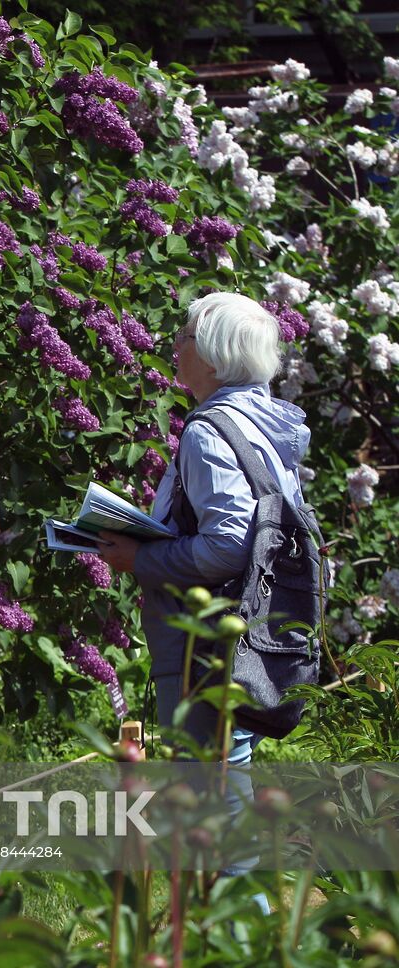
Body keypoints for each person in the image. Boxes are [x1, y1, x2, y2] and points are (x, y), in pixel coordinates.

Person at [93, 291, 313, 903]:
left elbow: (227, 544)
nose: (175, 346)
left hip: (204, 640)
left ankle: (243, 939)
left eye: (185, 335)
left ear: (213, 357)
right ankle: (250, 935)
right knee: (226, 788)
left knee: (210, 805)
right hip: (256, 637)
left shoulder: (210, 430)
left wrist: (141, 558)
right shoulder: (272, 425)